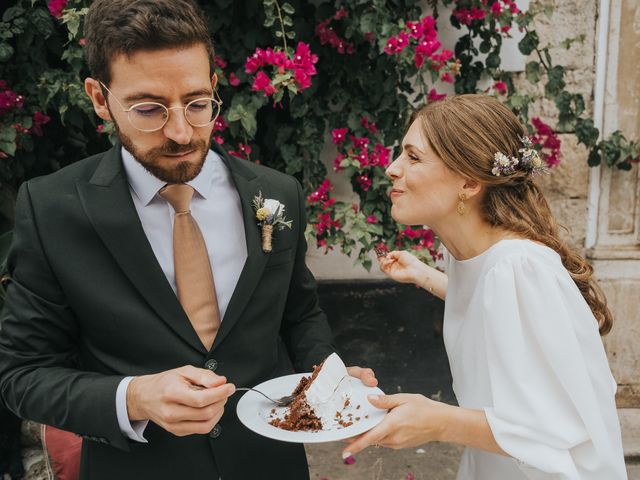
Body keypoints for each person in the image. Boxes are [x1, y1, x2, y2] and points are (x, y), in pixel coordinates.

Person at [0, 1, 376, 479]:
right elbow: (22, 375)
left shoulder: (277, 194)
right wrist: (134, 397)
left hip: (268, 465)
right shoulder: (52, 209)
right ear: (99, 98)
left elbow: (298, 315)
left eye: (197, 104)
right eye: (149, 109)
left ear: (215, 88)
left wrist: (329, 379)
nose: (181, 132)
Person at [343, 94, 627, 479]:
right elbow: (491, 310)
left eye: (413, 157)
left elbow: (562, 429)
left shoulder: (520, 268)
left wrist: (439, 420)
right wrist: (426, 276)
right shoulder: (473, 257)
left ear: (469, 182)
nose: (392, 169)